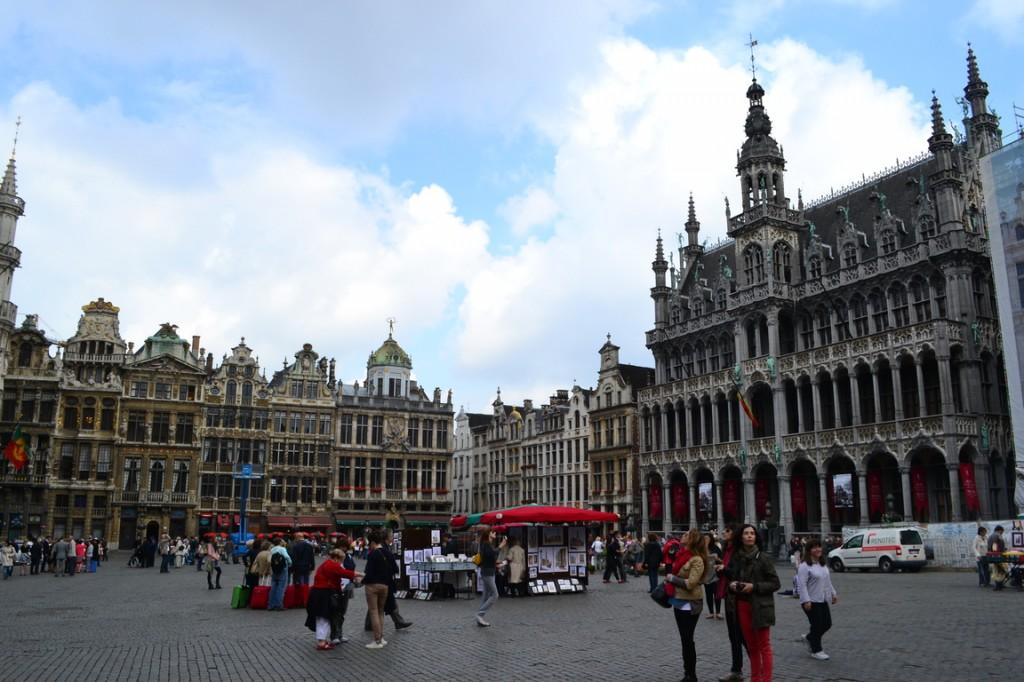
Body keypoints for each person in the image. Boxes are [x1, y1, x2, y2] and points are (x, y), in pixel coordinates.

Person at [725, 524, 780, 682]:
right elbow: (732, 578)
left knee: (764, 646)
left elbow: (775, 583)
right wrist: (732, 585)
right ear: (741, 537)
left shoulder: (763, 557)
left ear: (756, 537)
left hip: (761, 606)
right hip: (742, 605)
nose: (749, 536)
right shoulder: (737, 557)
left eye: (752, 533)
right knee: (751, 646)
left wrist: (754, 587)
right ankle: (755, 679)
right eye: (746, 533)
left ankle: (767, 679)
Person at [664, 529, 707, 682]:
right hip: (678, 600)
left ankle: (691, 674)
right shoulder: (681, 555)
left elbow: (691, 583)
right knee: (683, 638)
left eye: (686, 534)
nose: (682, 536)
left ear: (692, 540)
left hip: (690, 602)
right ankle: (687, 671)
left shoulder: (697, 559)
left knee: (688, 638)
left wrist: (672, 578)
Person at [306, 548, 362, 650]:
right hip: (324, 594)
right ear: (336, 558)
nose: (341, 562)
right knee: (324, 618)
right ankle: (321, 642)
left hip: (319, 593)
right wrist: (362, 574)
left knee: (323, 618)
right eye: (341, 560)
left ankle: (322, 640)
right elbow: (346, 573)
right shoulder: (332, 565)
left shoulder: (326, 563)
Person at [796, 539, 838, 661]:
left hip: (822, 599)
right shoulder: (804, 566)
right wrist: (806, 600)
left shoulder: (822, 564)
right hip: (810, 601)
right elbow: (801, 585)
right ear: (809, 551)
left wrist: (833, 594)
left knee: (827, 624)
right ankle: (816, 650)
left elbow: (827, 581)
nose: (818, 549)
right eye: (814, 547)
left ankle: (810, 638)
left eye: (819, 547)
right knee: (817, 625)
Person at [362, 529, 391, 648]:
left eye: (370, 543)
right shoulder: (387, 552)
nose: (369, 545)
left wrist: (362, 581)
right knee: (380, 612)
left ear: (373, 542)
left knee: (373, 611)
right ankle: (382, 638)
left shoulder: (373, 554)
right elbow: (394, 568)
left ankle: (377, 640)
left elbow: (368, 572)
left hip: (373, 585)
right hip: (385, 585)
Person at [330, 538, 358, 644]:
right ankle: (334, 635)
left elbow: (351, 569)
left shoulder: (349, 556)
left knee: (342, 611)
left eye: (346, 547)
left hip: (347, 585)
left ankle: (339, 633)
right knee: (335, 611)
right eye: (343, 546)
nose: (345, 549)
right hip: (337, 586)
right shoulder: (335, 557)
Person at [475, 527, 502, 627]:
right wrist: (501, 546)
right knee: (495, 595)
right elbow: (492, 554)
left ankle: (480, 617)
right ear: (488, 534)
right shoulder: (486, 544)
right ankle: (480, 614)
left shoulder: (486, 544)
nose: (495, 533)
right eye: (493, 532)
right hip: (487, 573)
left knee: (486, 595)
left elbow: (489, 558)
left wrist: (496, 564)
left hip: (489, 571)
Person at [268, 538, 292, 610]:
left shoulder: (272, 549)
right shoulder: (282, 549)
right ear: (280, 542)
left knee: (273, 586)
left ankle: (271, 605)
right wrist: (290, 563)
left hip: (274, 569)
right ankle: (279, 605)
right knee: (281, 587)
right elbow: (287, 557)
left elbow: (269, 559)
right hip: (282, 569)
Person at [705, 532, 723, 620]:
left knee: (717, 594)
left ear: (711, 540)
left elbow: (723, 561)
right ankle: (711, 612)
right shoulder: (701, 549)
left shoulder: (715, 548)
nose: (706, 540)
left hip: (716, 574)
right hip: (706, 575)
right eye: (704, 539)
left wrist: (717, 559)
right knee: (708, 595)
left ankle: (718, 612)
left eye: (707, 539)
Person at [988, 525, 1008, 590]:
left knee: (997, 570)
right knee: (1000, 570)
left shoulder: (991, 535)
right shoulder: (997, 535)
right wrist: (999, 552)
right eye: (1002, 531)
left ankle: (999, 584)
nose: (1002, 533)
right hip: (998, 555)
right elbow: (995, 545)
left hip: (993, 555)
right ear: (1000, 530)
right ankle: (998, 585)